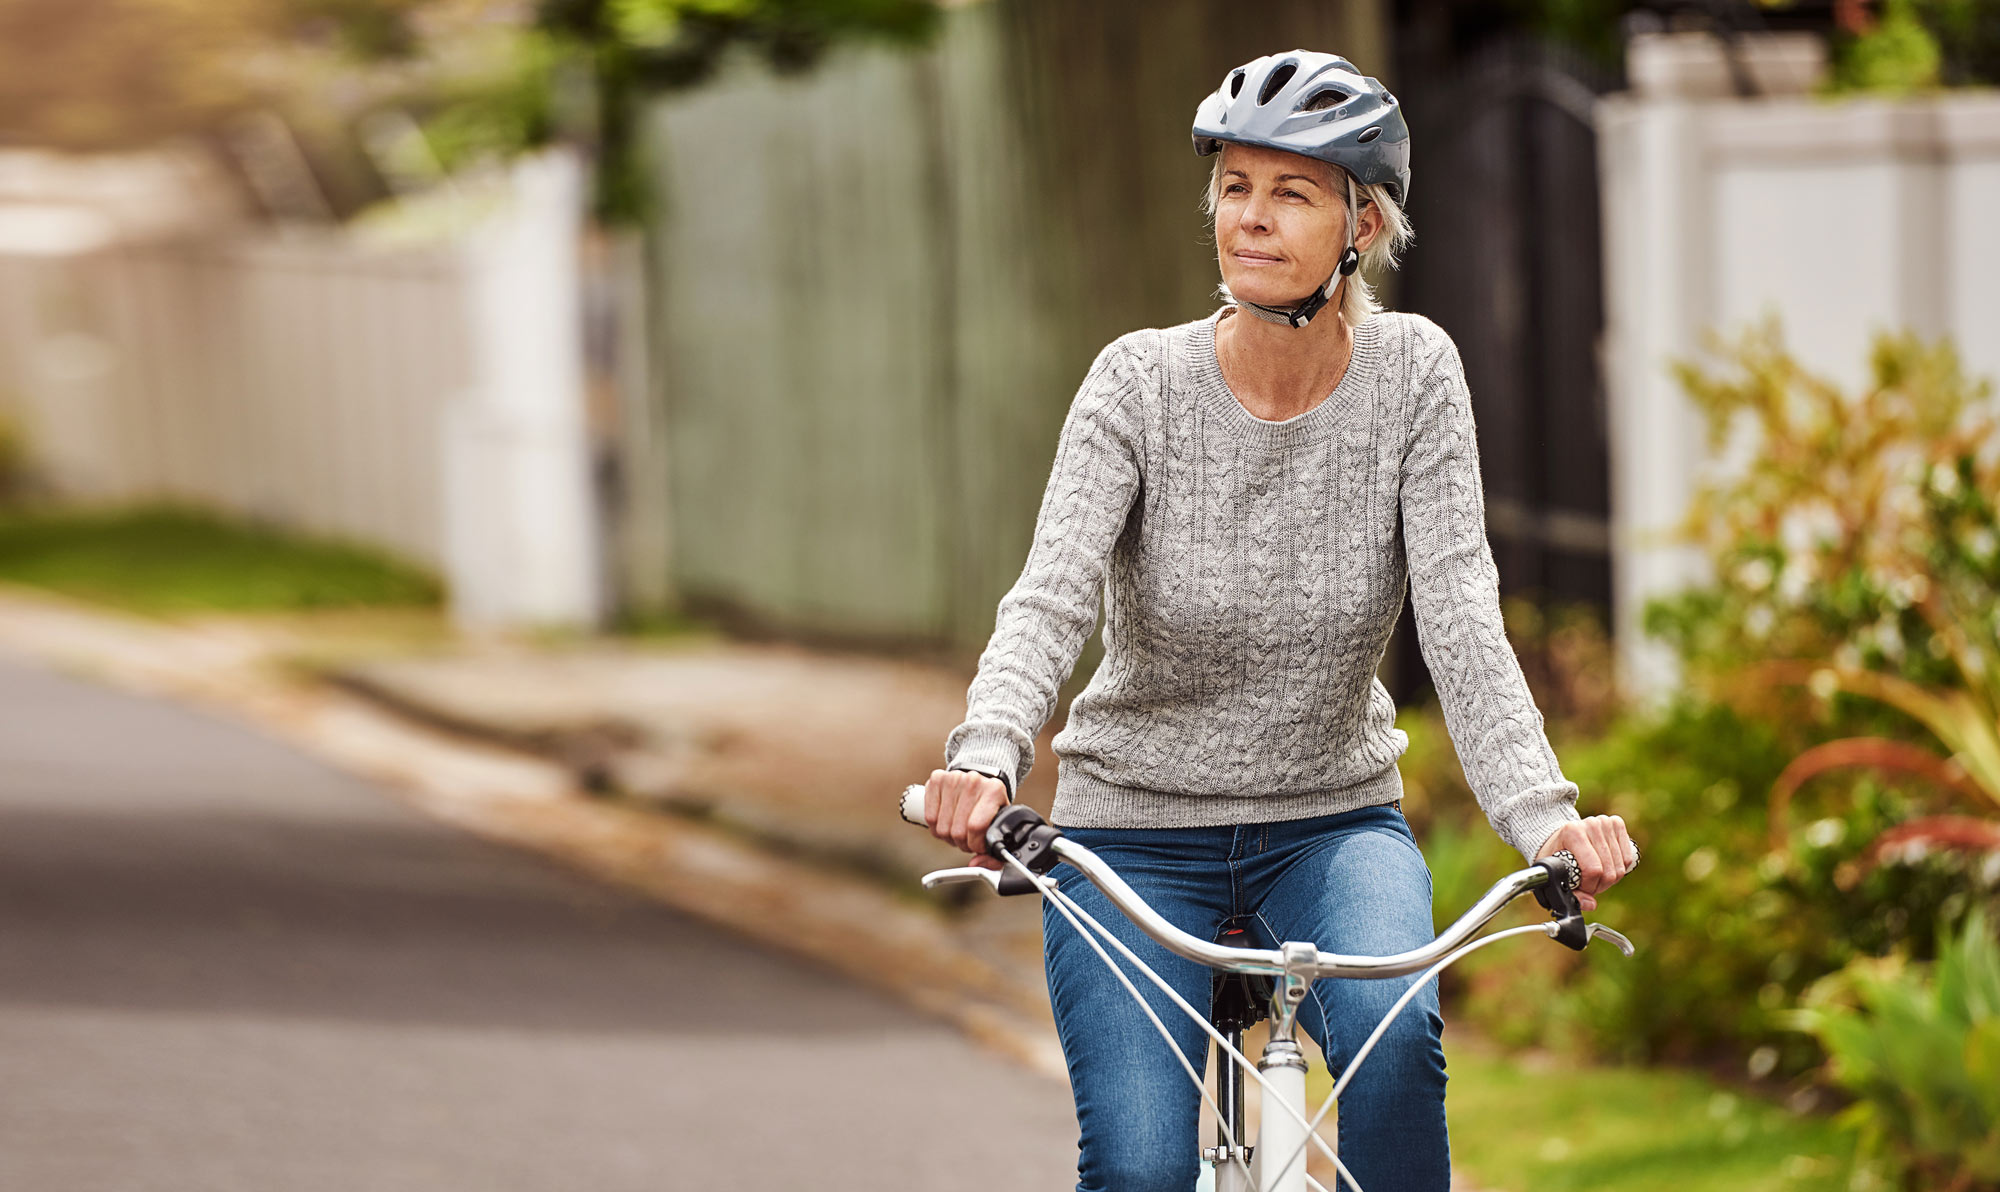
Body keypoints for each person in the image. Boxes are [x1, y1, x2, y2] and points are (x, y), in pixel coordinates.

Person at [922, 49, 1638, 1192]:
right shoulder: (1135, 385)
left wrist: (1542, 820)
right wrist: (987, 753)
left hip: (1329, 823)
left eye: (1289, 192)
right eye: (1235, 186)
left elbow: (1459, 617)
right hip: (1129, 838)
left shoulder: (1413, 374)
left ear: (1361, 224)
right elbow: (1049, 595)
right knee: (1144, 1164)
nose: (1249, 218)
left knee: (1397, 1053)